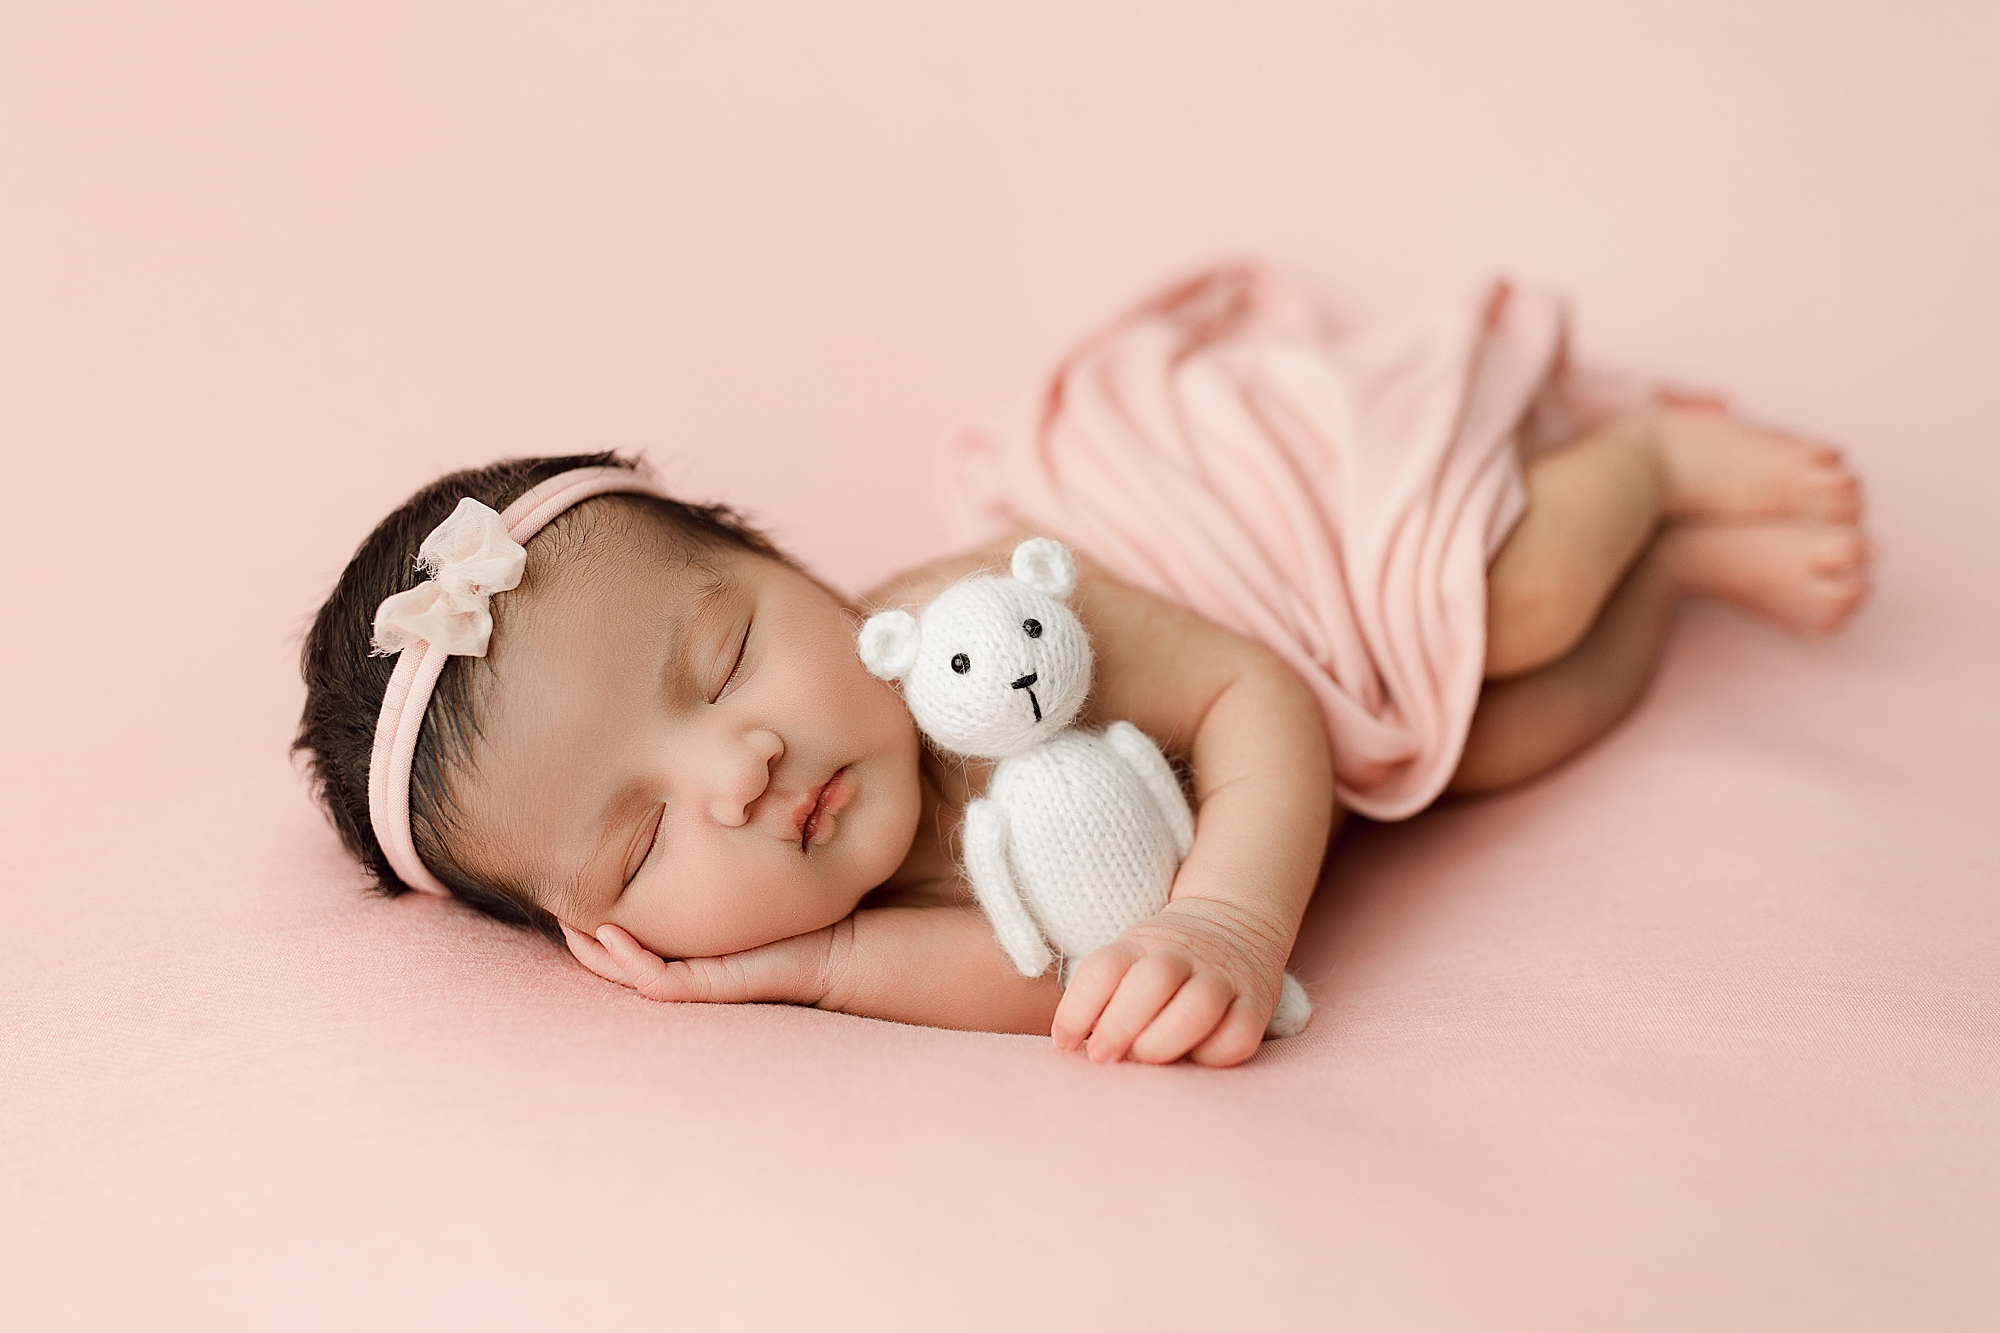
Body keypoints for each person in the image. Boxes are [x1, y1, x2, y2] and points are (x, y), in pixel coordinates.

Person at [294, 267, 1870, 1068]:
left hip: (1272, 568)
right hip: (1306, 760)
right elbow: (1047, 969)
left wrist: (1230, 918)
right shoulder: (829, 918)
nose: (739, 770)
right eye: (642, 842)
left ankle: (1640, 463)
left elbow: (1256, 694)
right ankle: (1677, 567)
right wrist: (812, 970)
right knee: (1502, 737)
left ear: (789, 566)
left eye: (725, 656)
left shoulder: (970, 627)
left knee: (1514, 606)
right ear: (604, 936)